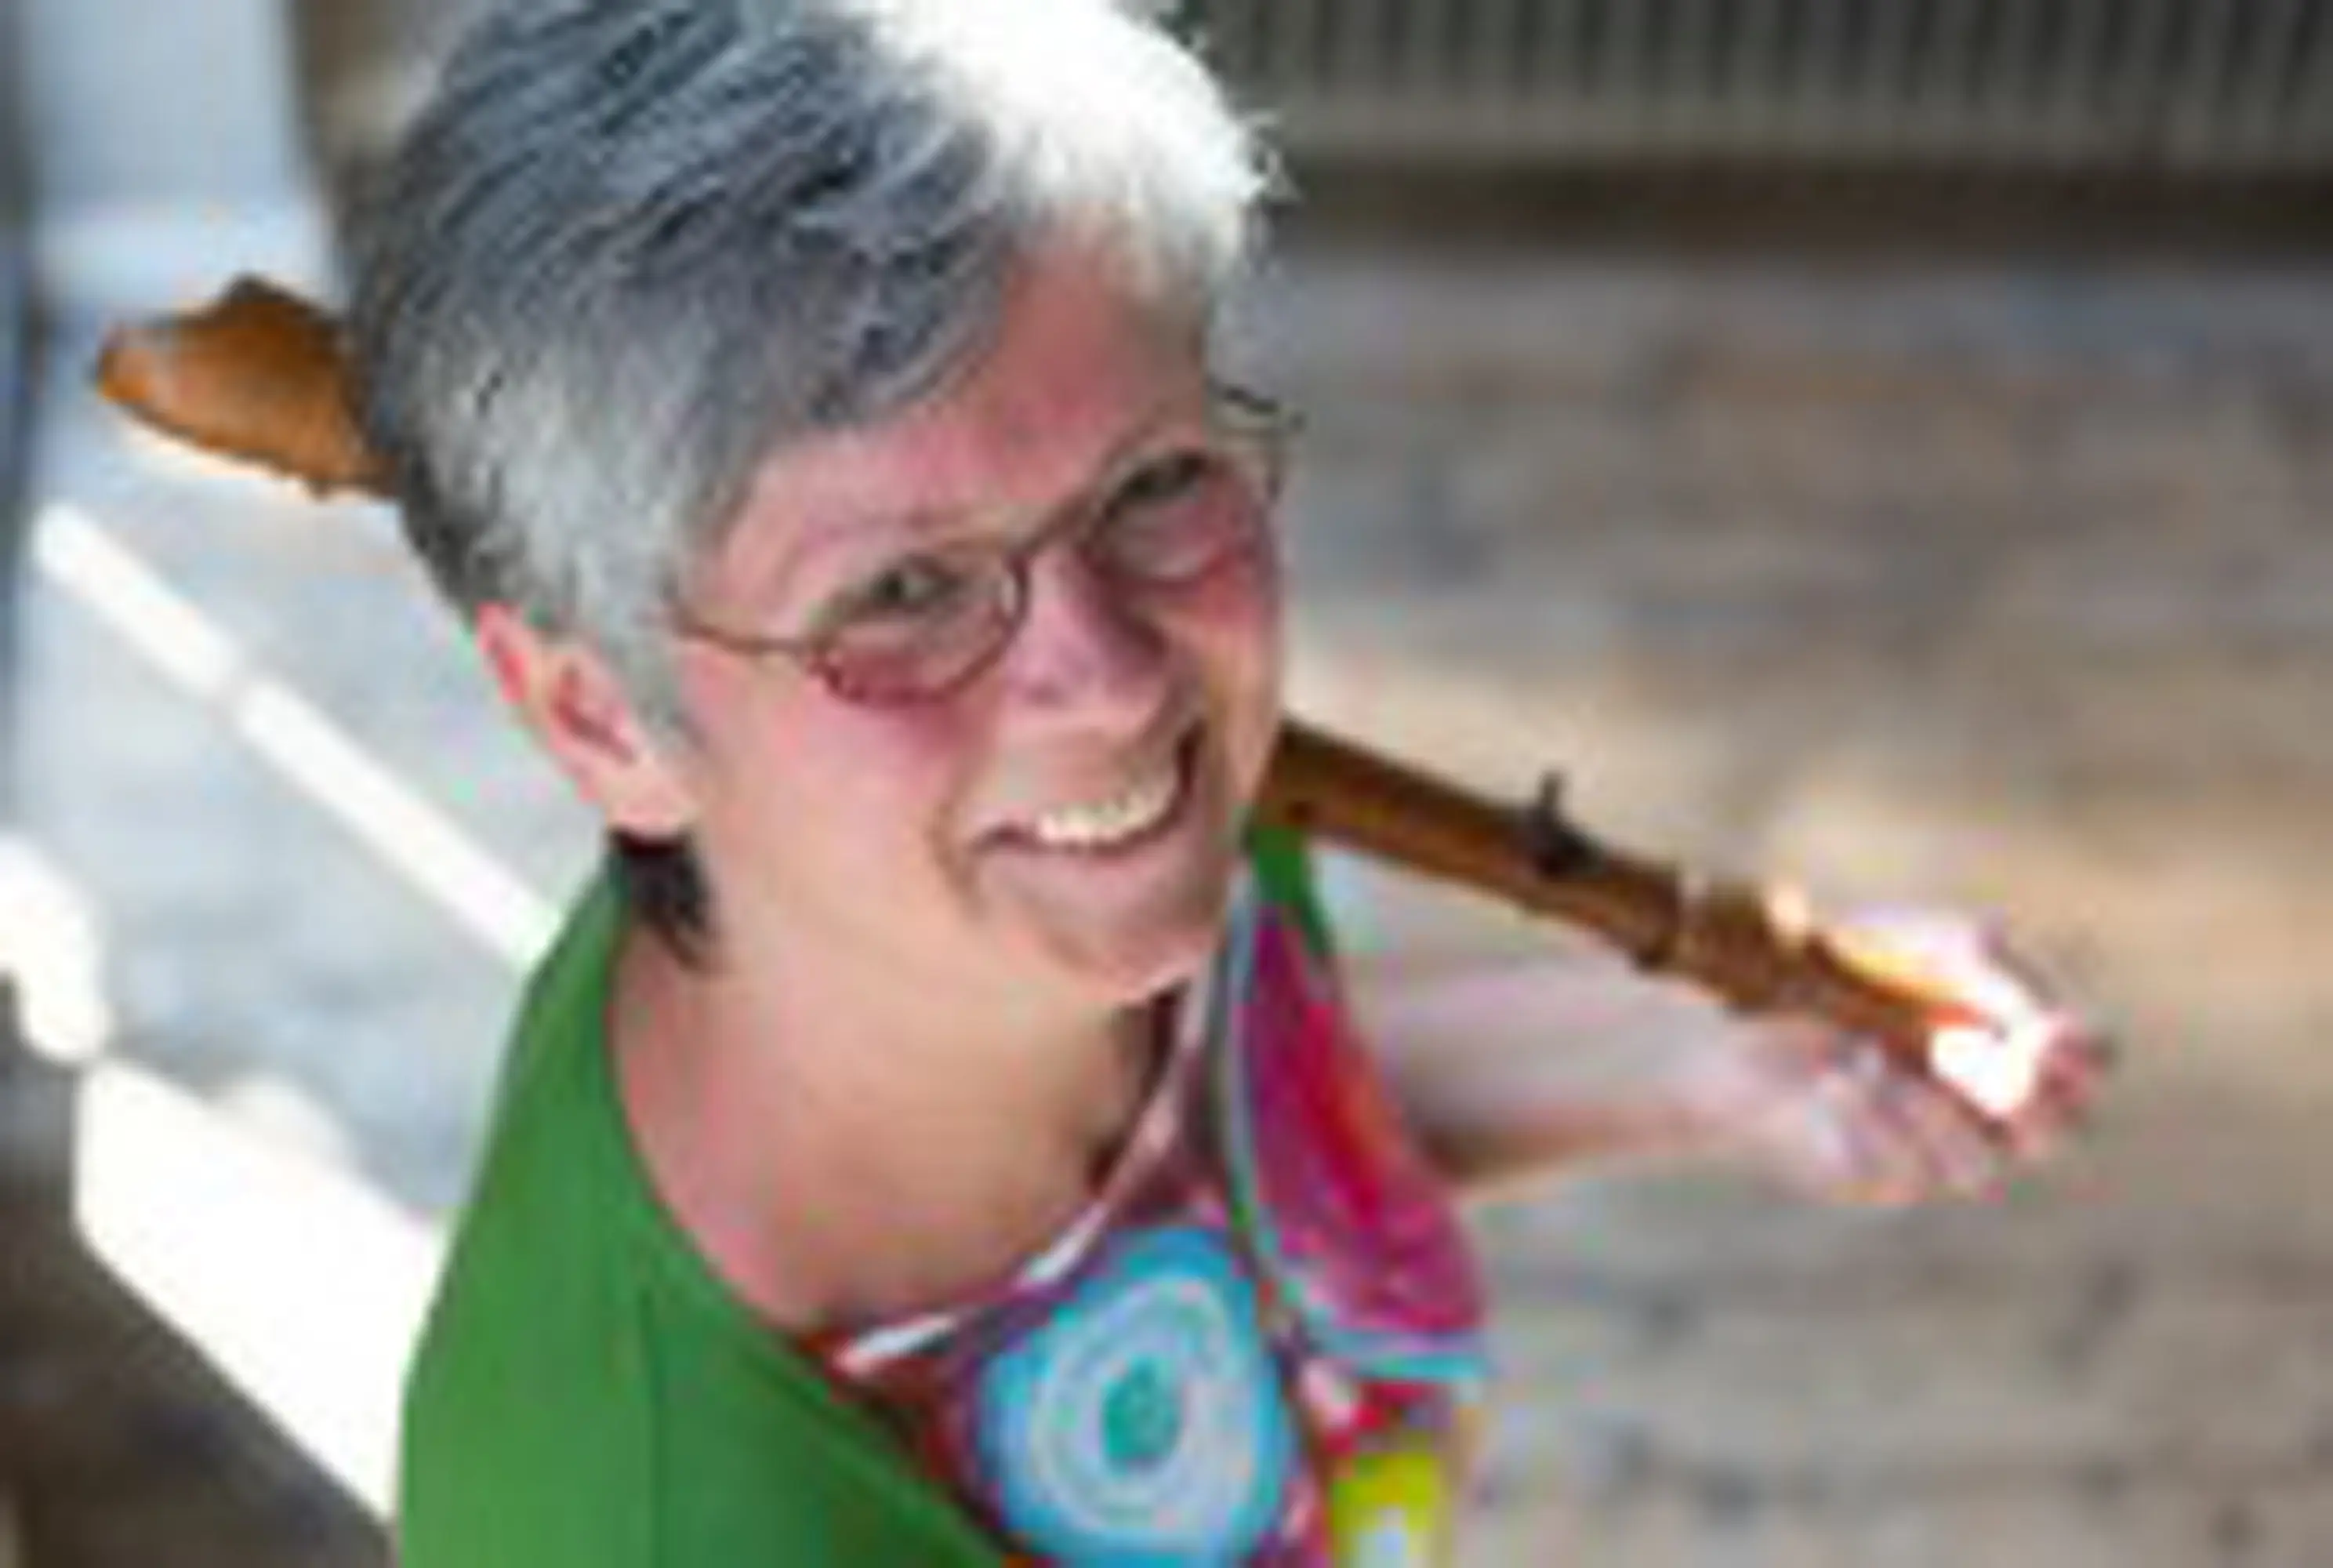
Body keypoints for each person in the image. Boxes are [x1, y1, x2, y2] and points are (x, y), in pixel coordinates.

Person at [346, 2, 2101, 1563]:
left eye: (1152, 480)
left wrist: (1703, 1052)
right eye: (901, 590)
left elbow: (1250, 1098)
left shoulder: (1037, 872)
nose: (1113, 680)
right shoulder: (652, 1517)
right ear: (601, 721)